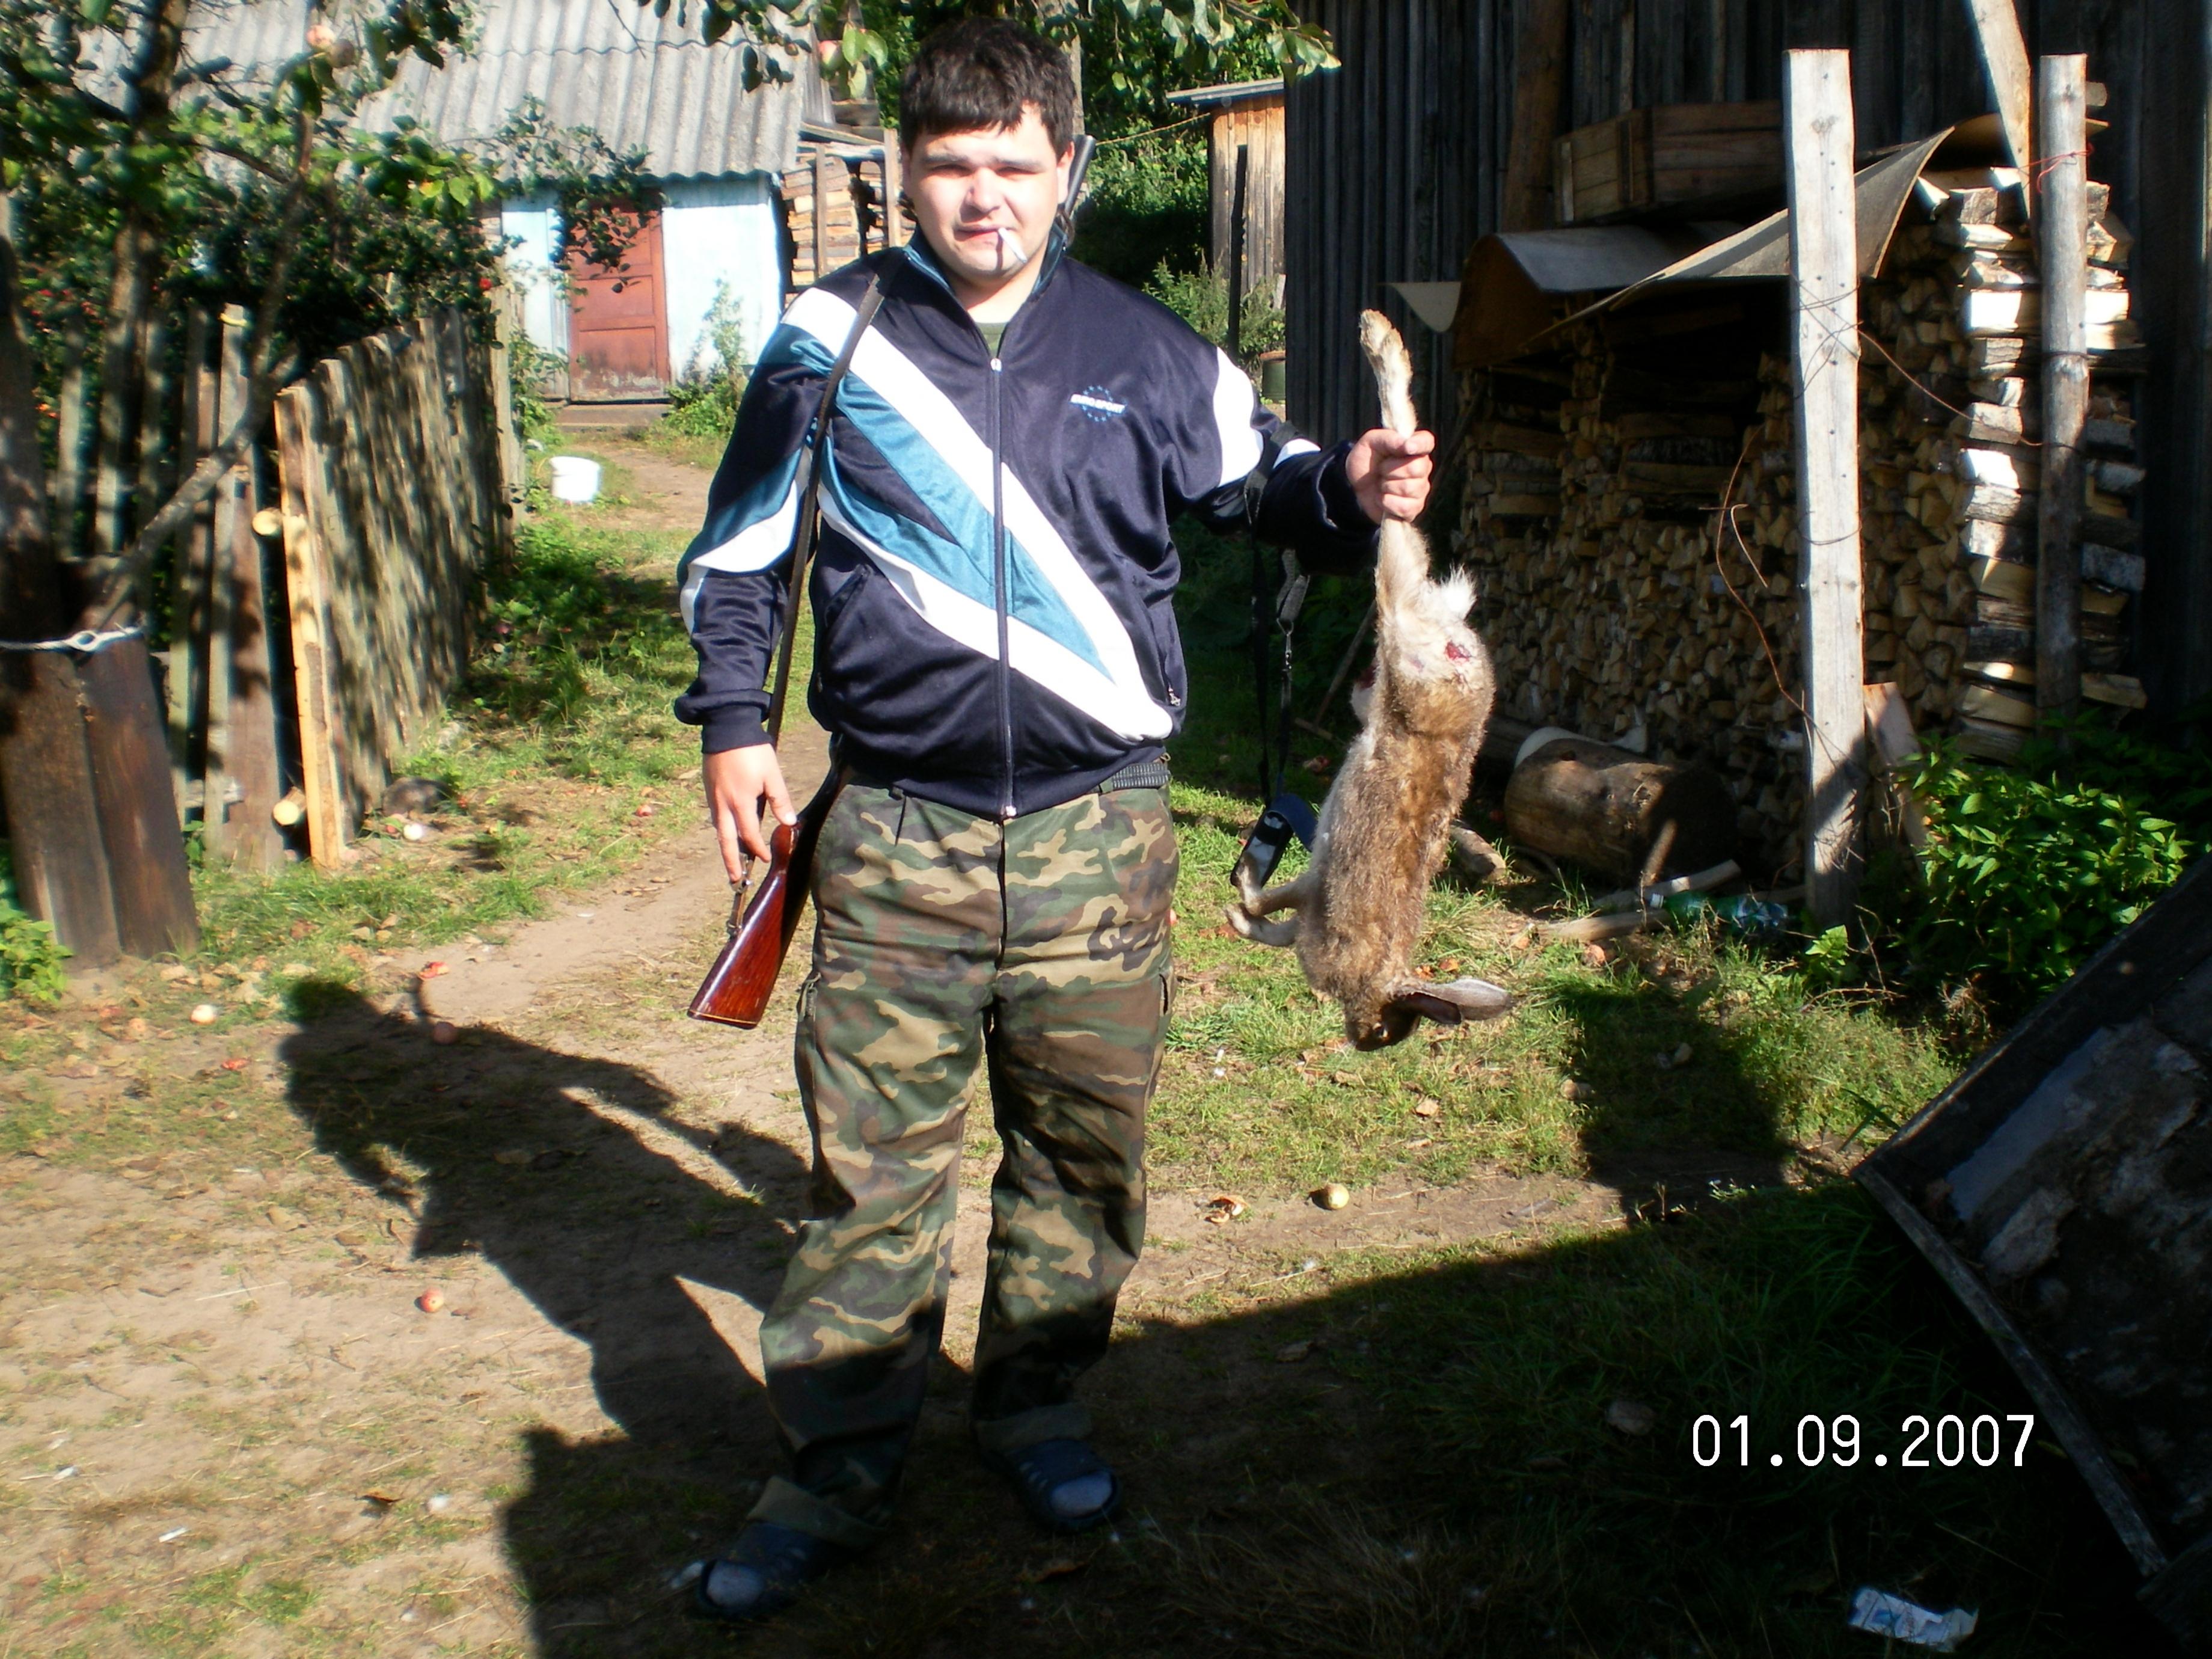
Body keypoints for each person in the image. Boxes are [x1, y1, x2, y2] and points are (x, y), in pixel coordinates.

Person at [672, 17, 1434, 1622]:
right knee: (872, 1182)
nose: (983, 198)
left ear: (1068, 167)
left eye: (1014, 166)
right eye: (951, 166)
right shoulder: (826, 338)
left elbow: (1265, 481)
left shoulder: (1148, 350)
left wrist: (1352, 486)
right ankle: (834, 1472)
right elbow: (742, 549)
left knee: (1082, 1156)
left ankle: (1035, 1406)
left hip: (1103, 836)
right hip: (899, 837)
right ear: (904, 171)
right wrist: (736, 724)